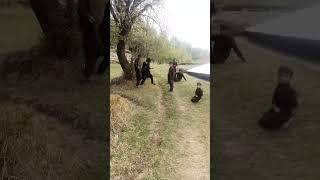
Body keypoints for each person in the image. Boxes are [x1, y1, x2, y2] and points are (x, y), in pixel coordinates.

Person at [259, 66, 298, 130]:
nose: (282, 78)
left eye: (285, 76)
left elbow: (294, 106)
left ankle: (289, 120)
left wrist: (283, 112)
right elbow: (274, 98)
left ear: (289, 78)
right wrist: (274, 106)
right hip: (276, 109)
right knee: (261, 121)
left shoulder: (291, 91)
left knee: (270, 126)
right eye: (280, 76)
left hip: (285, 112)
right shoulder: (278, 87)